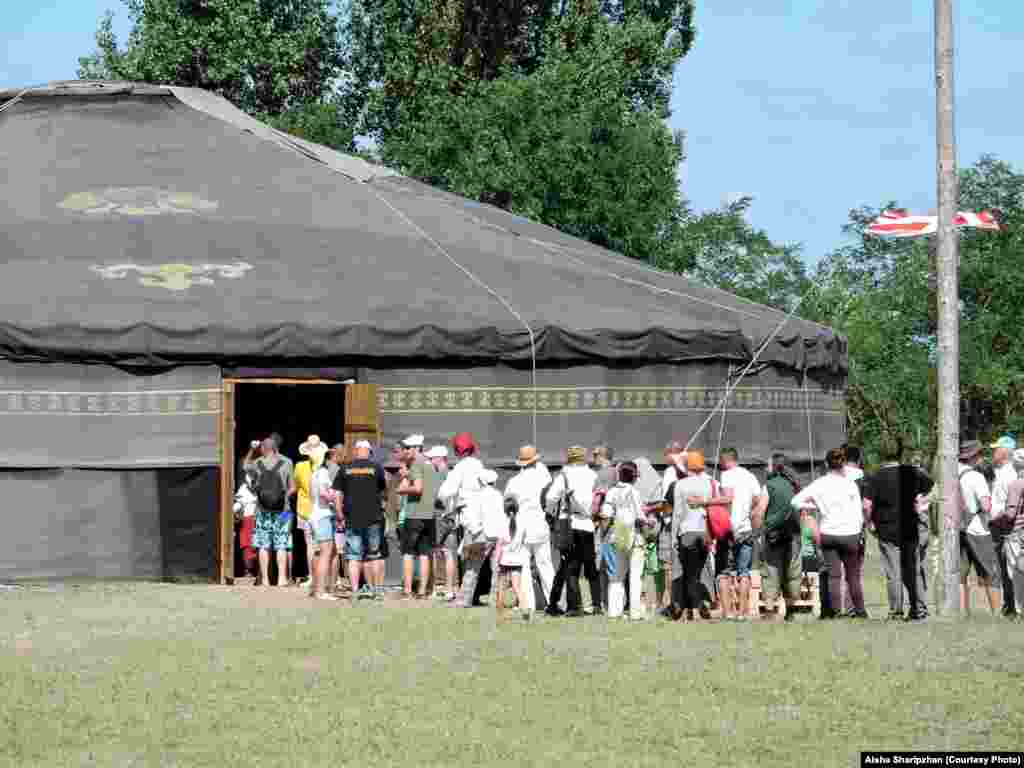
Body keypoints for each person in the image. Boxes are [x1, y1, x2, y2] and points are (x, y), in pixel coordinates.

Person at [861, 434, 933, 621]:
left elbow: (867, 505)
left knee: (893, 572)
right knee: (913, 569)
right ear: (901, 453)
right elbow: (931, 487)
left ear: (881, 454)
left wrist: (870, 523)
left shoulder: (875, 476)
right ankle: (919, 609)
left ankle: (896, 611)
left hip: (886, 530)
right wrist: (920, 503)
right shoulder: (913, 472)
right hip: (910, 527)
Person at [792, 447, 868, 619]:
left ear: (826, 464)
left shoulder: (820, 483)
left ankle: (835, 612)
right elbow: (858, 512)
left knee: (834, 575)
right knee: (852, 575)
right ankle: (860, 611)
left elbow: (796, 501)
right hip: (850, 534)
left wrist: (816, 505)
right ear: (843, 465)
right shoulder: (850, 484)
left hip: (828, 533)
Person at [709, 448, 768, 621]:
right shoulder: (750, 476)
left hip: (727, 529)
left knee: (723, 572)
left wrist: (705, 501)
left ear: (725, 460)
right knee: (744, 572)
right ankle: (743, 612)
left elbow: (727, 498)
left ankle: (728, 612)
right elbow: (757, 501)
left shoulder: (726, 475)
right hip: (746, 529)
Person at [545, 446, 600, 617]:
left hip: (571, 523)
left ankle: (575, 606)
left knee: (571, 568)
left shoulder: (564, 475)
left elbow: (551, 497)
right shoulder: (593, 475)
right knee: (591, 567)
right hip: (589, 524)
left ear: (569, 459)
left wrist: (550, 512)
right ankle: (597, 604)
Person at [333, 440, 388, 602]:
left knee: (354, 556)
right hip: (373, 518)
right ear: (369, 452)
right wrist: (382, 509)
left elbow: (337, 495)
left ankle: (355, 591)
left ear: (356, 451)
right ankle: (376, 591)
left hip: (352, 518)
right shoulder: (376, 468)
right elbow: (384, 491)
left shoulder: (345, 469)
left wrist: (339, 514)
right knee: (375, 555)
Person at [503, 445, 555, 615]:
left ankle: (528, 604)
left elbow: (507, 503)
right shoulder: (544, 477)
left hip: (523, 526)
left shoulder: (514, 482)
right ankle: (554, 601)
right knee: (546, 565)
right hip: (541, 524)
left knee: (524, 567)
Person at [598, 461, 652, 620]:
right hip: (634, 537)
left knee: (617, 575)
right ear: (634, 476)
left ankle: (614, 611)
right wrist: (649, 522)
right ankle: (635, 612)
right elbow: (640, 517)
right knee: (636, 575)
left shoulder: (612, 492)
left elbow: (606, 514)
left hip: (618, 534)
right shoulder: (633, 492)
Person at [669, 450, 716, 622]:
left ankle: (694, 608)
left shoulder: (681, 484)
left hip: (686, 531)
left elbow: (678, 513)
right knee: (697, 572)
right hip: (704, 532)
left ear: (687, 466)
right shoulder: (708, 484)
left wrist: (674, 536)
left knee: (688, 573)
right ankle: (698, 605)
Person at [756, 453, 803, 622]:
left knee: (770, 572)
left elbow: (760, 511)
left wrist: (757, 530)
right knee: (792, 573)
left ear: (775, 467)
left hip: (772, 537)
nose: (765, 468)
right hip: (793, 536)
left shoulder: (768, 486)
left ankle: (769, 611)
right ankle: (791, 610)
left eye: (767, 465)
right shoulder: (795, 485)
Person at [245, 437, 296, 588]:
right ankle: (281, 579)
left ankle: (265, 580)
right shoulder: (287, 462)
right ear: (275, 448)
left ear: (263, 449)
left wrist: (251, 450)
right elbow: (293, 487)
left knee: (263, 544)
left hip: (262, 510)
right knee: (282, 543)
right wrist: (285, 496)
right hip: (284, 511)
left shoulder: (257, 463)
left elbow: (244, 466)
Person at [957, 440, 999, 616]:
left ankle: (961, 611)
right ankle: (996, 612)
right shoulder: (976, 477)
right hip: (978, 529)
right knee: (990, 572)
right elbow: (986, 505)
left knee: (960, 574)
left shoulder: (952, 473)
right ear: (974, 456)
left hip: (958, 529)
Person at [396, 435, 435, 600]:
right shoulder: (430, 464)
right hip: (428, 515)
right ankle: (422, 591)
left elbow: (418, 488)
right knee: (425, 554)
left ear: (414, 448)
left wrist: (401, 489)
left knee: (408, 553)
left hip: (414, 514)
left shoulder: (416, 464)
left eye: (406, 449)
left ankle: (407, 590)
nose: (405, 452)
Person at [459, 468, 503, 610]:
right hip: (498, 535)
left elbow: (469, 517)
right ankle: (496, 600)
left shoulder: (476, 496)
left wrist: (475, 530)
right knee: (496, 569)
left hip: (481, 534)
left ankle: (465, 599)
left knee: (472, 568)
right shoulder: (498, 495)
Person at [656, 441, 687, 613]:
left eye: (666, 454)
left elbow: (667, 500)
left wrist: (666, 519)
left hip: (671, 525)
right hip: (690, 524)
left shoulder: (669, 471)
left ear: (671, 454)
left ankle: (672, 603)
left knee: (669, 565)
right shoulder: (693, 470)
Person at [989, 435, 1018, 617]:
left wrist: (995, 519)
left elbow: (1009, 506)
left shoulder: (1010, 475)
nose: (993, 452)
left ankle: (1013, 605)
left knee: (1011, 567)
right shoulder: (999, 472)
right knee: (1004, 568)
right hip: (1000, 526)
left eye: (996, 449)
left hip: (1007, 526)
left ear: (1005, 452)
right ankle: (1009, 605)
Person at [306, 441, 338, 600]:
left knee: (319, 553)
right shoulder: (324, 473)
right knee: (326, 553)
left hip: (313, 515)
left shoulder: (314, 473)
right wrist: (336, 496)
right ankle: (321, 591)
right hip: (323, 515)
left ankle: (315, 588)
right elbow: (324, 494)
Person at [426, 445, 458, 602]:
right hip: (451, 517)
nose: (430, 460)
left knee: (433, 551)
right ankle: (449, 590)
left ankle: (433, 589)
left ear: (440, 458)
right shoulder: (453, 474)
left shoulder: (437, 475)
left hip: (438, 516)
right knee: (448, 553)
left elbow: (435, 498)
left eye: (432, 458)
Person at [295, 435, 325, 588]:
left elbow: (295, 486)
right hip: (321, 509)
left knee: (310, 545)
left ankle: (313, 577)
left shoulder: (299, 467)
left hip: (305, 510)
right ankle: (324, 577)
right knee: (324, 545)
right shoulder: (324, 467)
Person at [997, 448, 1024, 614]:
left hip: (1017, 532)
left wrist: (995, 520)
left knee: (1016, 571)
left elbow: (1011, 513)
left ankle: (1020, 609)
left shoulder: (1016, 484)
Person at [233, 465, 260, 583]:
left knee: (260, 546)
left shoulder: (263, 486)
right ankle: (248, 571)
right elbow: (237, 506)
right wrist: (235, 513)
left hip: (260, 518)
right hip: (247, 520)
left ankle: (261, 571)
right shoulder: (243, 489)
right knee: (247, 546)